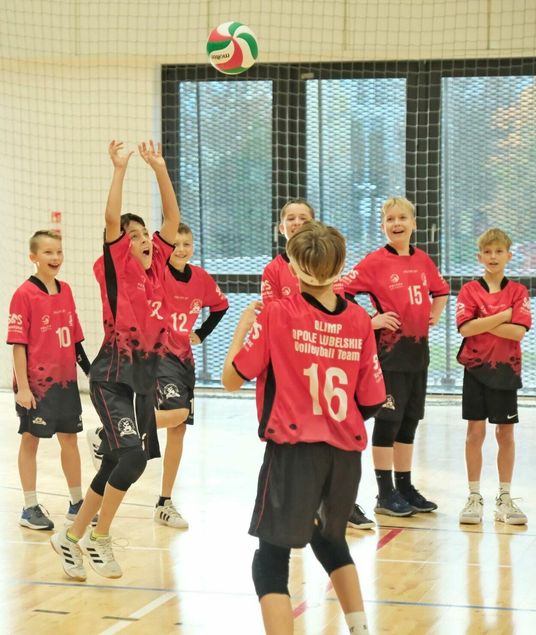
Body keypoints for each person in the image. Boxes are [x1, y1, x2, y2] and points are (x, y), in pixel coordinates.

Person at [223, 221, 386, 635]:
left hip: (294, 452)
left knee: (270, 560)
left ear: (292, 266)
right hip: (345, 455)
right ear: (341, 266)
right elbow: (371, 399)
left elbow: (231, 378)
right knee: (331, 542)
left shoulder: (277, 313)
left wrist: (241, 329)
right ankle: (360, 628)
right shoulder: (360, 320)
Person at [50, 139, 180, 581]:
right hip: (112, 376)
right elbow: (111, 221)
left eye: (145, 234)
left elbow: (172, 221)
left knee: (117, 463)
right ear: (123, 244)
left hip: (143, 382)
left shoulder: (157, 269)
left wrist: (160, 169)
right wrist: (120, 169)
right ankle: (99, 538)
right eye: (134, 236)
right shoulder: (114, 267)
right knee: (132, 458)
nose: (144, 240)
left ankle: (71, 538)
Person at [262, 198, 375, 530]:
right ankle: (301, 506)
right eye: (290, 218)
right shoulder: (273, 270)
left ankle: (340, 503)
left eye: (303, 217)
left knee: (335, 434)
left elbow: (337, 308)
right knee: (296, 442)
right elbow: (273, 317)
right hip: (293, 367)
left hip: (326, 357)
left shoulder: (326, 262)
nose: (296, 222)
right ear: (281, 227)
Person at [342, 197, 449, 516]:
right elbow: (341, 293)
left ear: (414, 223)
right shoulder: (374, 262)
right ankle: (385, 493)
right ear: (382, 226)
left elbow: (441, 290)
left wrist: (434, 314)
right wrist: (370, 321)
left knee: (409, 421)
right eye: (390, 219)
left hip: (418, 354)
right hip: (389, 356)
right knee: (388, 422)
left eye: (403, 218)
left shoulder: (423, 260)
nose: (397, 223)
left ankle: (405, 486)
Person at [7, 230, 91, 530]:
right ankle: (29, 507)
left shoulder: (66, 290)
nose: (55, 257)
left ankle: (77, 503)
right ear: (33, 257)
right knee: (30, 440)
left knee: (70, 439)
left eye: (58, 252)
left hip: (65, 383)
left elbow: (75, 338)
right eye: (48, 252)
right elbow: (18, 346)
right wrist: (23, 388)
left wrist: (90, 372)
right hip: (36, 386)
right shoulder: (24, 294)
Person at [153, 222, 229, 528]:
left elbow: (221, 306)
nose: (181, 249)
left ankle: (164, 502)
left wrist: (201, 333)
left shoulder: (200, 278)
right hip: (159, 356)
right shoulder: (157, 273)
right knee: (176, 413)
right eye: (175, 244)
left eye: (187, 243)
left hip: (185, 358)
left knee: (178, 427)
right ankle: (117, 430)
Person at [456, 228, 531, 525]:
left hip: (505, 370)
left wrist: (482, 321)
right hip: (475, 369)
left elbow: (518, 332)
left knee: (505, 434)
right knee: (475, 433)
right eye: (487, 252)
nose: (493, 256)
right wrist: (503, 316)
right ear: (479, 257)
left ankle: (505, 498)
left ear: (509, 256)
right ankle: (474, 497)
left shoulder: (518, 292)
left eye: (499, 251)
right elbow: (465, 328)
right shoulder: (469, 290)